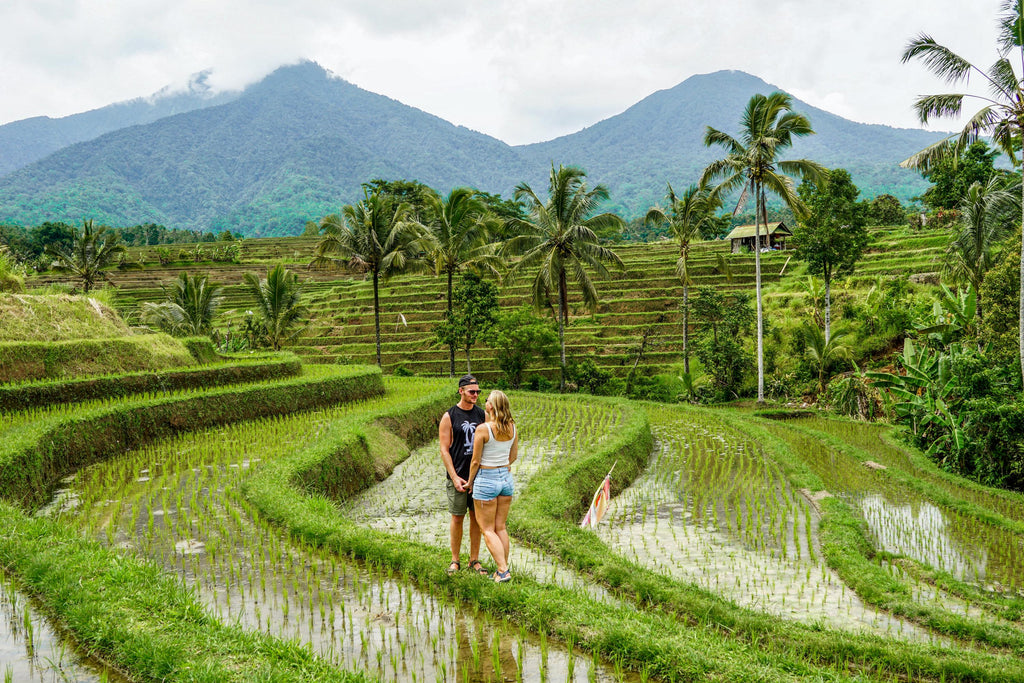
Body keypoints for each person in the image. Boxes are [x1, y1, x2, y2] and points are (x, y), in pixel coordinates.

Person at [467, 390, 518, 583]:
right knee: (501, 527)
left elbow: (475, 461)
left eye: (487, 400)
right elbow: (513, 456)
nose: (484, 402)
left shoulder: (483, 429)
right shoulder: (512, 427)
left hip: (486, 479)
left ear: (491, 406)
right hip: (505, 478)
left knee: (487, 529)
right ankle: (502, 568)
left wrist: (470, 482)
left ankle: (503, 571)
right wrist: (503, 467)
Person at [438, 374, 487, 576]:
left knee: (476, 519)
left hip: (479, 477)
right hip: (457, 476)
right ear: (461, 391)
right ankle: (455, 560)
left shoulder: (483, 415)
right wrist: (455, 477)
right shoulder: (449, 416)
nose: (475, 395)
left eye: (477, 392)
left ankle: (474, 560)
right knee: (457, 517)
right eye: (471, 391)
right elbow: (444, 449)